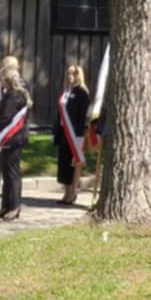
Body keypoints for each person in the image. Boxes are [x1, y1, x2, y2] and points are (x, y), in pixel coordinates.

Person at [0, 60, 30, 219]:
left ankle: (14, 207)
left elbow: (6, 117)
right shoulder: (12, 93)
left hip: (13, 138)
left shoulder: (13, 95)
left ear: (7, 80)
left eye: (2, 78)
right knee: (6, 173)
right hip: (9, 139)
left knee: (12, 173)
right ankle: (6, 205)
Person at [56, 62, 91, 205]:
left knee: (74, 164)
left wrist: (80, 133)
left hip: (75, 133)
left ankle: (72, 194)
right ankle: (66, 193)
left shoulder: (82, 93)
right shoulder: (66, 92)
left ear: (79, 75)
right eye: (69, 73)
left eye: (74, 73)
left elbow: (83, 115)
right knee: (64, 163)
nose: (70, 76)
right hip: (64, 132)